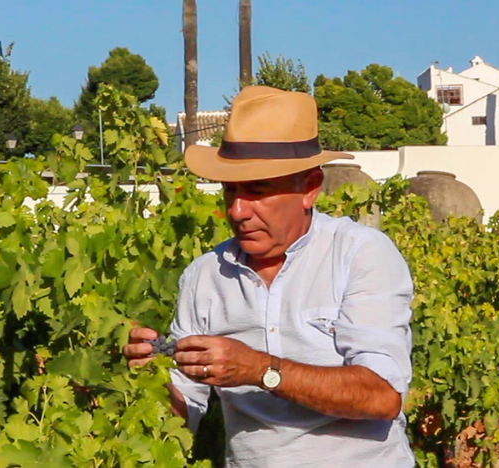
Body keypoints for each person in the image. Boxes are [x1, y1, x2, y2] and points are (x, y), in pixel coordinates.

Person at [121, 85, 415, 467]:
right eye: (230, 192)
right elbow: (182, 414)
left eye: (257, 191)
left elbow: (382, 396)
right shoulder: (204, 276)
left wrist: (260, 370)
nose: (237, 211)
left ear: (310, 188)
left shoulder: (359, 255)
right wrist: (151, 379)